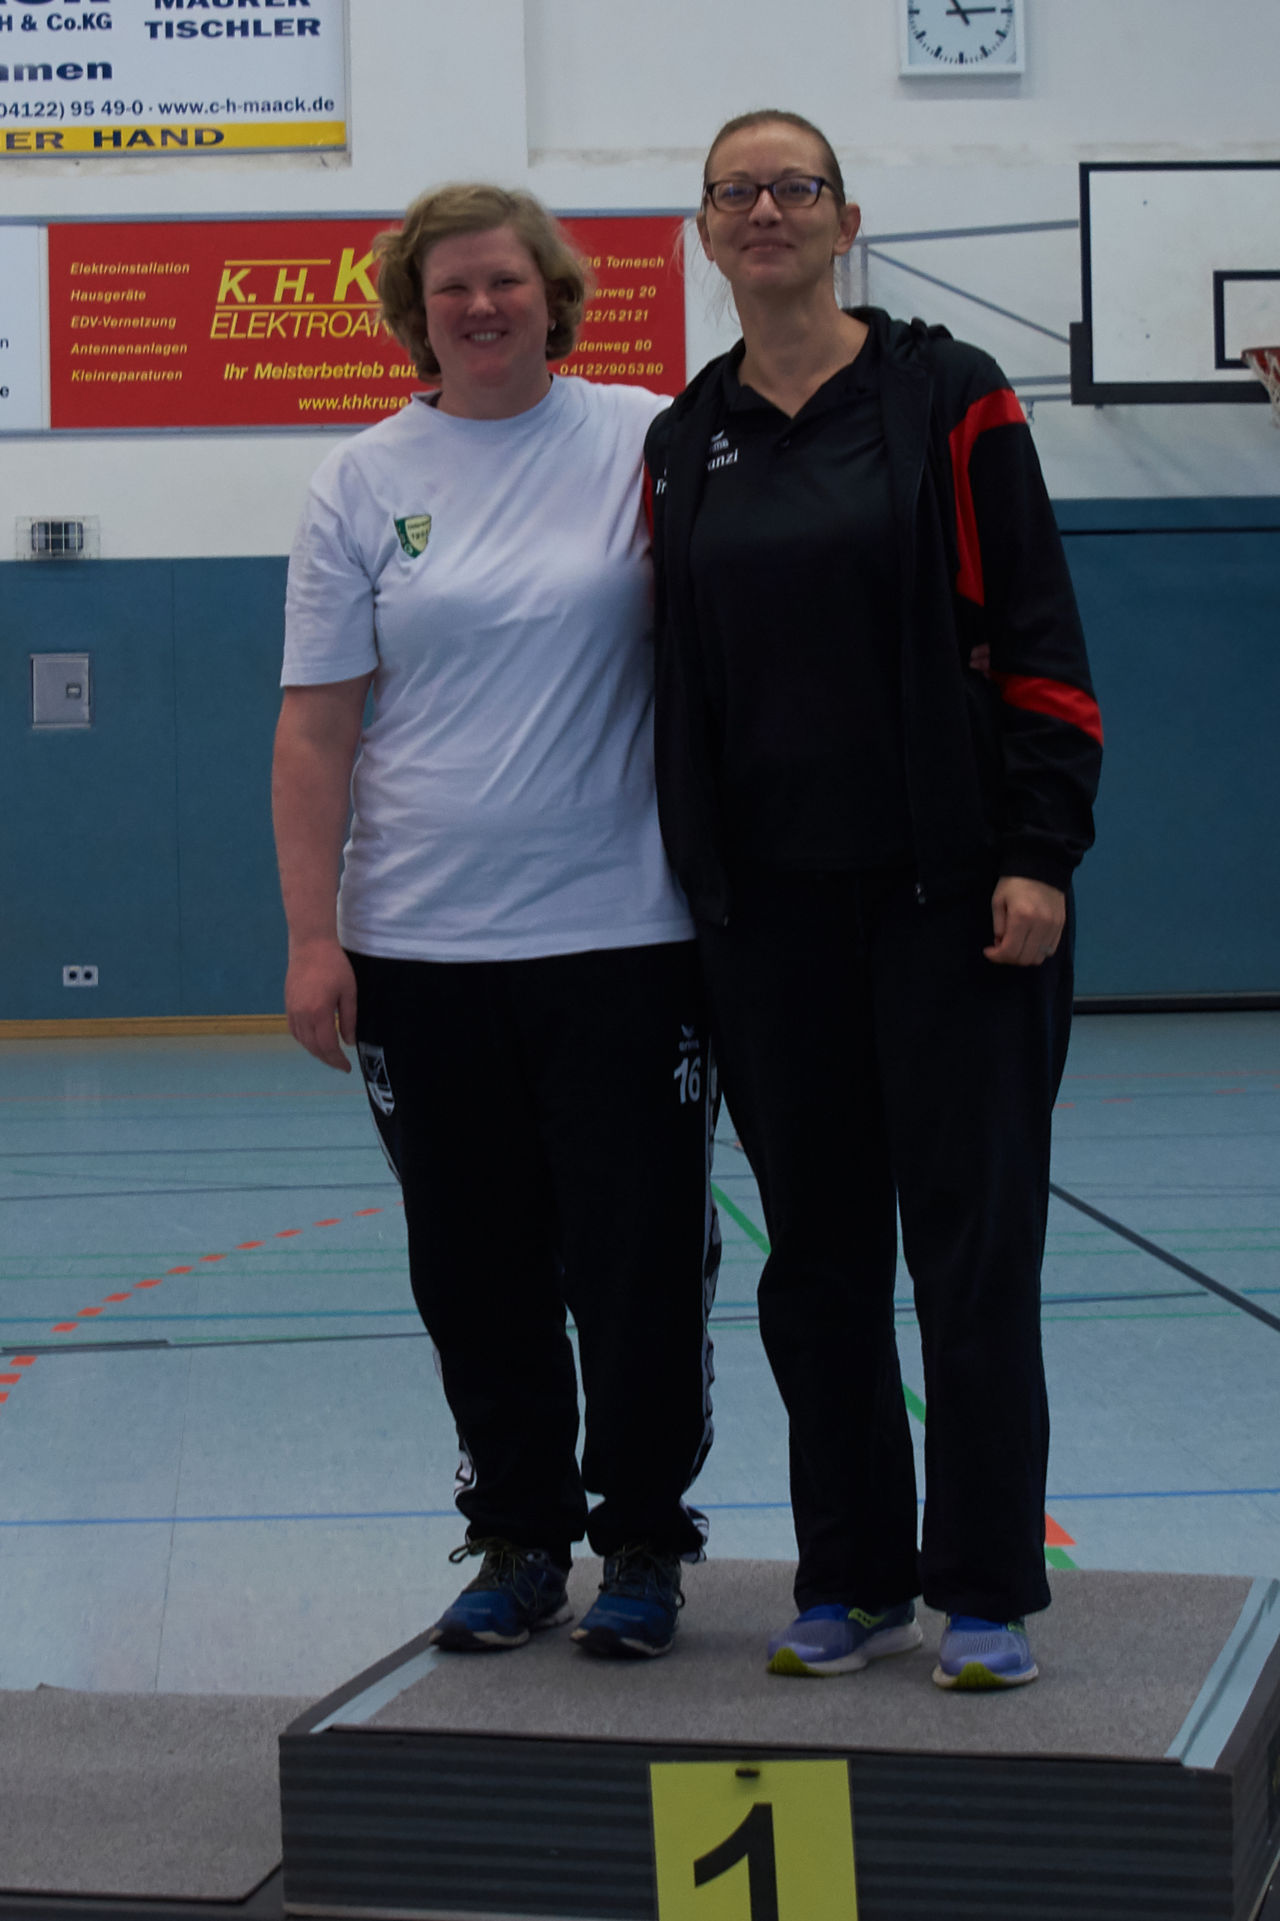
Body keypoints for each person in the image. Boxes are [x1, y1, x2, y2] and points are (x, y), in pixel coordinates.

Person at [645, 112, 1102, 1689]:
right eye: (737, 190)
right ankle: (851, 1578)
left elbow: (1041, 630)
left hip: (955, 907)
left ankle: (983, 1589)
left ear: (846, 220)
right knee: (818, 1265)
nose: (766, 209)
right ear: (706, 231)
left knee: (973, 1255)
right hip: (767, 922)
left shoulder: (949, 393)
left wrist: (1039, 850)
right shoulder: (683, 439)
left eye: (797, 186)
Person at [272, 182, 719, 1662]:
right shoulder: (358, 480)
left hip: (626, 937)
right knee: (473, 1264)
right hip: (420, 948)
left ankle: (642, 1538)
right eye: (450, 287)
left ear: (555, 296)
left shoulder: (647, 439)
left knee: (637, 1260)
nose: (480, 306)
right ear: (415, 312)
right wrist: (314, 935)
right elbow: (316, 729)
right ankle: (520, 1537)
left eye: (506, 282)